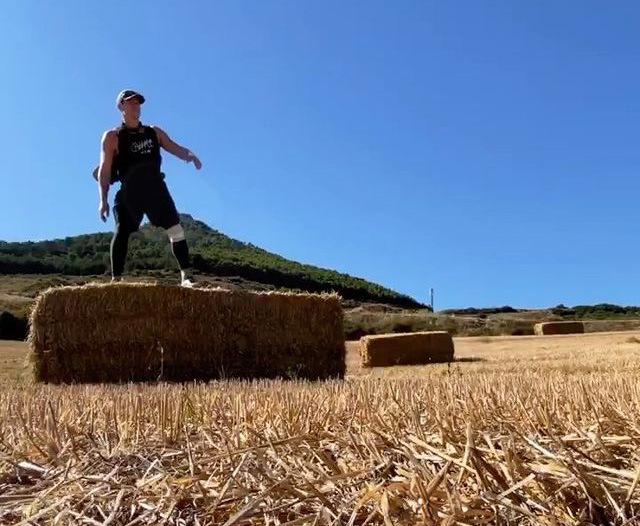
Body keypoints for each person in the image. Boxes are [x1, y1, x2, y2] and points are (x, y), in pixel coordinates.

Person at [96, 89, 202, 286]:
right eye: (131, 102)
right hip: (130, 190)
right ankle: (116, 279)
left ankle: (186, 276)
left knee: (176, 230)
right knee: (122, 230)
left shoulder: (154, 132)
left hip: (155, 188)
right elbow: (104, 170)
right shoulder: (112, 136)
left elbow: (173, 146)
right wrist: (103, 200)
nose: (136, 106)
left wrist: (190, 155)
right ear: (121, 107)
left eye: (138, 103)